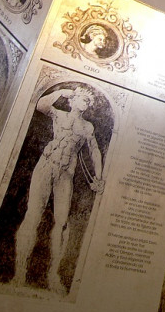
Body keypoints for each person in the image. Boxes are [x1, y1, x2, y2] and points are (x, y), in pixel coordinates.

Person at [12, 86, 105, 292]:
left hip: (66, 174)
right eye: (84, 99)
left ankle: (53, 275)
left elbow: (95, 152)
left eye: (89, 102)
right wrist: (61, 91)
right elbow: (41, 105)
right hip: (46, 166)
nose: (86, 104)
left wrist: (99, 177)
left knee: (62, 223)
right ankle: (20, 272)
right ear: (74, 100)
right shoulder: (60, 115)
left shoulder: (87, 127)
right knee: (33, 215)